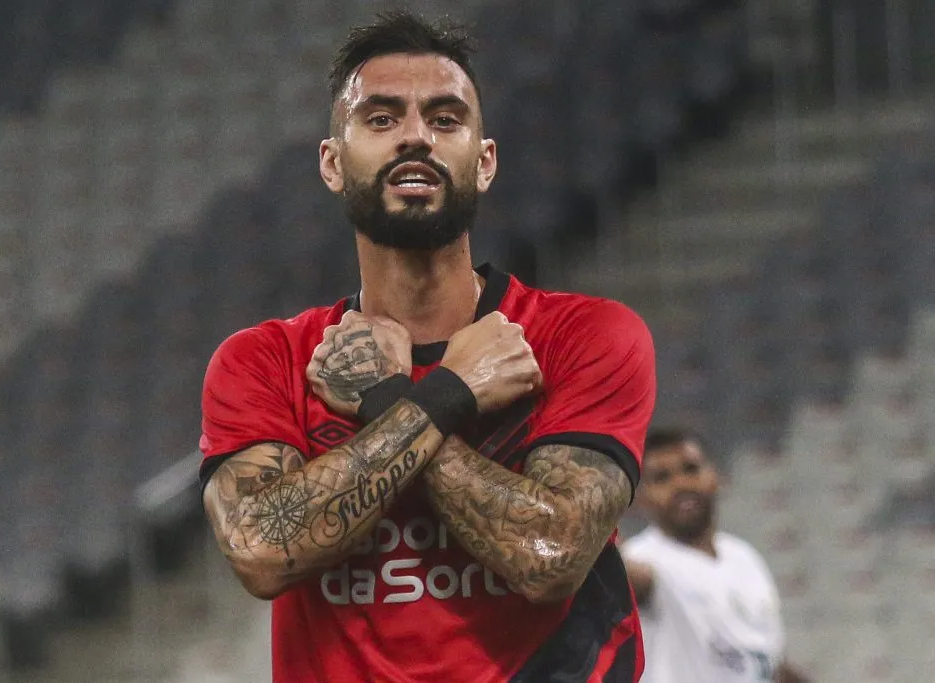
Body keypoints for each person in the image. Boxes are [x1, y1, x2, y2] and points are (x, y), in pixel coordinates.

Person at [198, 12, 656, 683]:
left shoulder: (583, 337)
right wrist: (450, 392)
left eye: (444, 119)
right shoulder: (262, 362)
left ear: (485, 161)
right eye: (381, 118)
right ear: (332, 163)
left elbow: (551, 554)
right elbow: (262, 550)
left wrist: (390, 397)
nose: (415, 136)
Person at [621, 428, 810, 683]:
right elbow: (631, 577)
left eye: (691, 469)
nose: (681, 484)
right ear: (642, 497)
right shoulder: (643, 557)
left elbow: (768, 659)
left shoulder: (745, 557)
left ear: (714, 475)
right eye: (662, 478)